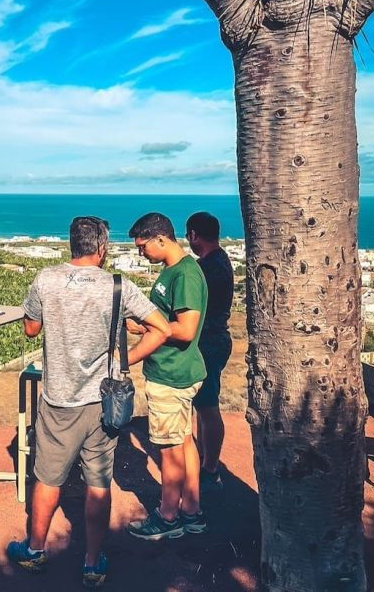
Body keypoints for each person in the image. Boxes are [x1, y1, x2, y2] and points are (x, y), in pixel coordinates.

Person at [7, 216, 171, 589]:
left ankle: (34, 549)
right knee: (99, 481)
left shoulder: (45, 280)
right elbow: (161, 327)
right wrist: (126, 361)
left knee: (48, 477)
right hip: (102, 401)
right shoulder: (118, 285)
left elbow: (31, 327)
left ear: (71, 245)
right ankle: (93, 563)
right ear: (102, 248)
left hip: (58, 400)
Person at [125, 212, 208, 541]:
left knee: (169, 449)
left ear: (161, 238)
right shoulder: (174, 271)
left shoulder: (184, 275)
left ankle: (168, 517)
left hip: (171, 375)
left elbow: (186, 330)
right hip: (177, 370)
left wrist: (144, 327)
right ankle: (191, 511)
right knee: (184, 441)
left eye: (143, 246)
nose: (140, 252)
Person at [186, 212, 234, 492]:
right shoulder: (221, 261)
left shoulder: (206, 267)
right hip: (216, 340)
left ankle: (211, 468)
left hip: (209, 342)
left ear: (194, 235)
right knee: (205, 406)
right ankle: (206, 460)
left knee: (207, 407)